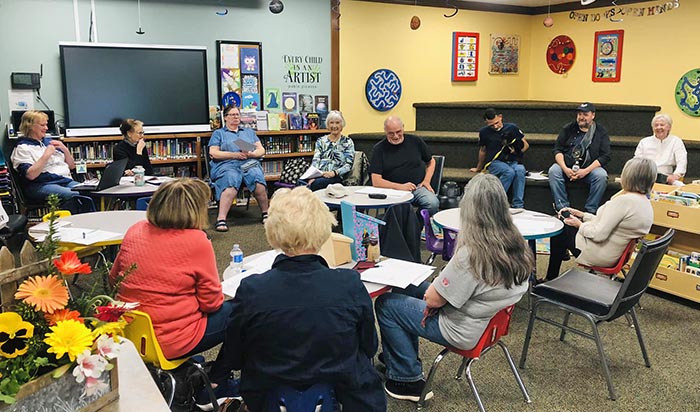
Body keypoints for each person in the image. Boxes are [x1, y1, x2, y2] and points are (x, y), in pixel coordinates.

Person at [207, 187, 386, 412]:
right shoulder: (350, 283)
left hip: (268, 395)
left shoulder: (252, 289)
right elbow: (369, 346)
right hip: (341, 392)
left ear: (272, 231)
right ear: (323, 230)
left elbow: (235, 356)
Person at [375, 174, 533, 402]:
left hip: (461, 328)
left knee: (386, 305)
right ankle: (398, 356)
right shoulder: (516, 242)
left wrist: (438, 296)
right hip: (485, 319)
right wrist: (441, 293)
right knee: (410, 285)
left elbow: (433, 300)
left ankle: (406, 378)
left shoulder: (473, 254)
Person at [110, 179, 234, 360]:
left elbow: (114, 280)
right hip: (171, 342)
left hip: (127, 333)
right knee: (245, 310)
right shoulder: (197, 241)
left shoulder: (135, 230)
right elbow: (212, 303)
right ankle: (219, 377)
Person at [545, 157, 656, 281]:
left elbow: (597, 235)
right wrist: (583, 215)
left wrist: (579, 225)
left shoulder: (624, 201)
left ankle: (550, 279)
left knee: (561, 227)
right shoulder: (645, 203)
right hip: (615, 253)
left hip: (601, 254)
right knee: (565, 228)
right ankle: (553, 272)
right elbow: (609, 222)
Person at [10, 110, 95, 213]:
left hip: (65, 181)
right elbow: (30, 175)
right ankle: (75, 224)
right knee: (74, 196)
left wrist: (65, 150)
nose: (46, 128)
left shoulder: (50, 142)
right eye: (42, 125)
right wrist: (46, 155)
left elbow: (72, 166)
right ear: (30, 126)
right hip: (41, 184)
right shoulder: (22, 147)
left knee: (89, 192)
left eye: (46, 124)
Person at [209, 105, 270, 232]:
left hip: (248, 161)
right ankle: (221, 219)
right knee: (231, 177)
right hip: (227, 164)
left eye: (237, 114)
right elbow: (214, 153)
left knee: (256, 175)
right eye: (232, 115)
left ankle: (266, 213)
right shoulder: (219, 133)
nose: (236, 117)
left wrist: (251, 154)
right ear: (225, 117)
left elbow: (261, 150)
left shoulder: (249, 132)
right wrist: (234, 155)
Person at [548, 102, 611, 213]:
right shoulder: (568, 128)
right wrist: (565, 169)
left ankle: (590, 211)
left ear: (593, 115)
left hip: (589, 169)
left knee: (601, 176)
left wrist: (585, 171)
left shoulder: (601, 132)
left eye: (585, 115)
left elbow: (605, 156)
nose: (581, 117)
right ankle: (563, 209)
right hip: (567, 167)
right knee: (554, 171)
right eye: (579, 114)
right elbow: (557, 150)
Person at [369, 116, 439, 215]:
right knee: (400, 211)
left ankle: (414, 227)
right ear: (385, 132)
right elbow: (376, 181)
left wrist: (426, 181)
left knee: (432, 203)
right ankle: (407, 227)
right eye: (391, 133)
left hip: (417, 188)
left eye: (398, 132)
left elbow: (431, 161)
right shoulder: (379, 149)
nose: (396, 136)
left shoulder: (416, 141)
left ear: (403, 128)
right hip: (392, 191)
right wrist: (400, 187)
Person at [470, 108, 529, 208]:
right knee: (509, 172)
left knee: (520, 170)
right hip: (495, 162)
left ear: (500, 117)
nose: (495, 126)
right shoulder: (484, 132)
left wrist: (517, 151)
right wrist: (479, 168)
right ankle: (495, 203)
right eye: (491, 125)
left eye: (497, 122)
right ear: (486, 123)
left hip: (512, 160)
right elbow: (483, 151)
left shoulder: (512, 128)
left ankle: (518, 205)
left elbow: (526, 145)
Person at [305, 110, 355, 191]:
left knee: (316, 184)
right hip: (320, 175)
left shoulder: (347, 142)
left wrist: (334, 173)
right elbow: (316, 160)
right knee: (300, 182)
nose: (334, 126)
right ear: (327, 125)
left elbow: (348, 165)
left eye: (337, 123)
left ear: (342, 125)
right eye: (331, 122)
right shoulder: (321, 141)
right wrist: (313, 176)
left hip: (337, 176)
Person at [634, 114, 687, 186]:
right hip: (646, 177)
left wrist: (675, 175)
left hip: (667, 178)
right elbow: (636, 161)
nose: (659, 127)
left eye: (662, 125)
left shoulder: (676, 141)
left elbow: (682, 161)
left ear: (669, 127)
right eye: (656, 125)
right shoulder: (644, 142)